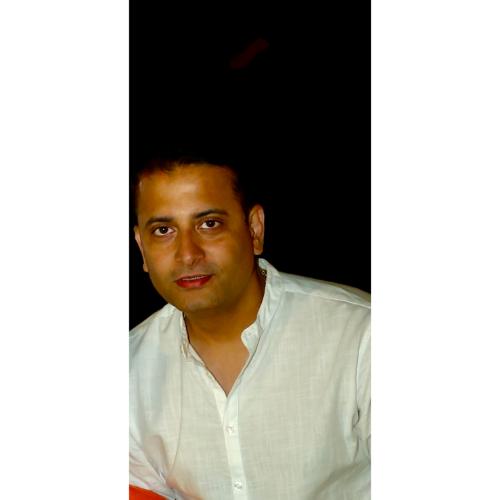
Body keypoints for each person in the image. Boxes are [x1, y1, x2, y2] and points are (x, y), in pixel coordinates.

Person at [130, 151, 371, 499]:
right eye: (163, 230)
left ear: (254, 229)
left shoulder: (360, 334)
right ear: (141, 247)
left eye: (209, 224)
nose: (187, 254)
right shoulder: (131, 369)